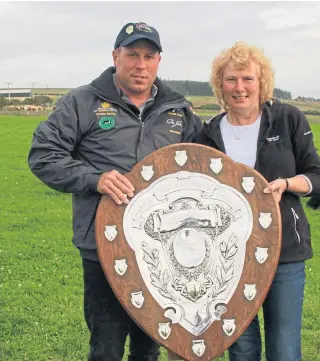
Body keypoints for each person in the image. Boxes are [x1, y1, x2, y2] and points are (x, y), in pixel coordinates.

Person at [28, 21, 201, 361]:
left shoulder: (177, 109)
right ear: (115, 56)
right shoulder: (82, 102)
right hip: (103, 246)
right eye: (132, 55)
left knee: (149, 344)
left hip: (160, 251)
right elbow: (43, 155)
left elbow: (203, 163)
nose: (141, 65)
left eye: (149, 57)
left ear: (158, 61)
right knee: (106, 347)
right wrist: (95, 178)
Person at [195, 41, 320, 361]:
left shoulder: (287, 118)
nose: (239, 87)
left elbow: (318, 178)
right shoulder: (208, 132)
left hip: (284, 252)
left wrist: (288, 183)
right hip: (227, 258)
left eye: (247, 78)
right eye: (231, 80)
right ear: (220, 85)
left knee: (283, 349)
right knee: (241, 347)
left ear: (261, 82)